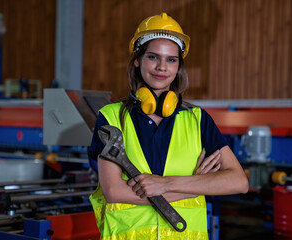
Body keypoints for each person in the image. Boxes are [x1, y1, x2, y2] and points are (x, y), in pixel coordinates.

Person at [88, 12, 248, 240]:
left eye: (171, 59)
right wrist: (198, 184)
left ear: (178, 66)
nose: (162, 67)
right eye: (153, 57)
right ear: (137, 60)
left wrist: (165, 184)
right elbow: (114, 192)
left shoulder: (197, 119)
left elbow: (239, 182)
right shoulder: (112, 118)